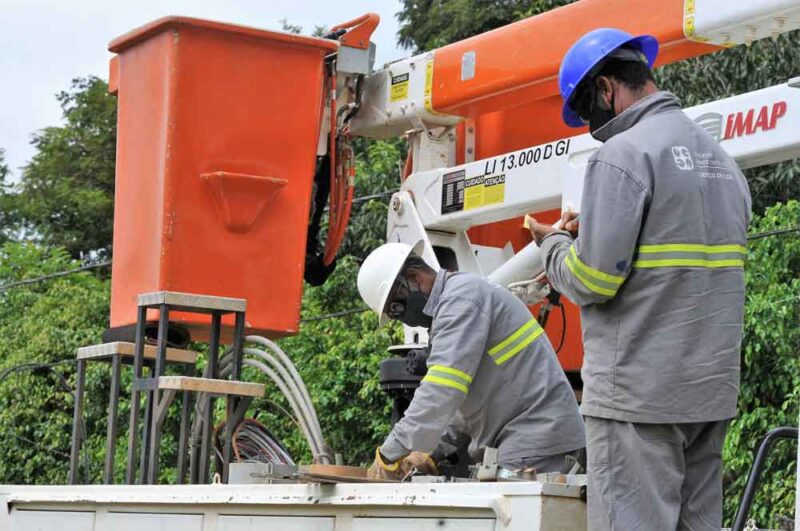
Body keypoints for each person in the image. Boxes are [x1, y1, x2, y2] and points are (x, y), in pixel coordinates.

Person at [528, 28, 751, 530]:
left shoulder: (621, 155)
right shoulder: (723, 163)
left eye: (588, 111)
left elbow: (591, 281)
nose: (592, 126)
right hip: (708, 396)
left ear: (607, 89)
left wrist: (555, 245)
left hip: (637, 399)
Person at [356, 241, 586, 480]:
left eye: (396, 308)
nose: (402, 318)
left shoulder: (461, 300)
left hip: (536, 435)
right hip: (527, 434)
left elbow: (441, 390)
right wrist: (431, 453)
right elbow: (465, 406)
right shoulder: (457, 302)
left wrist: (389, 454)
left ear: (414, 277)